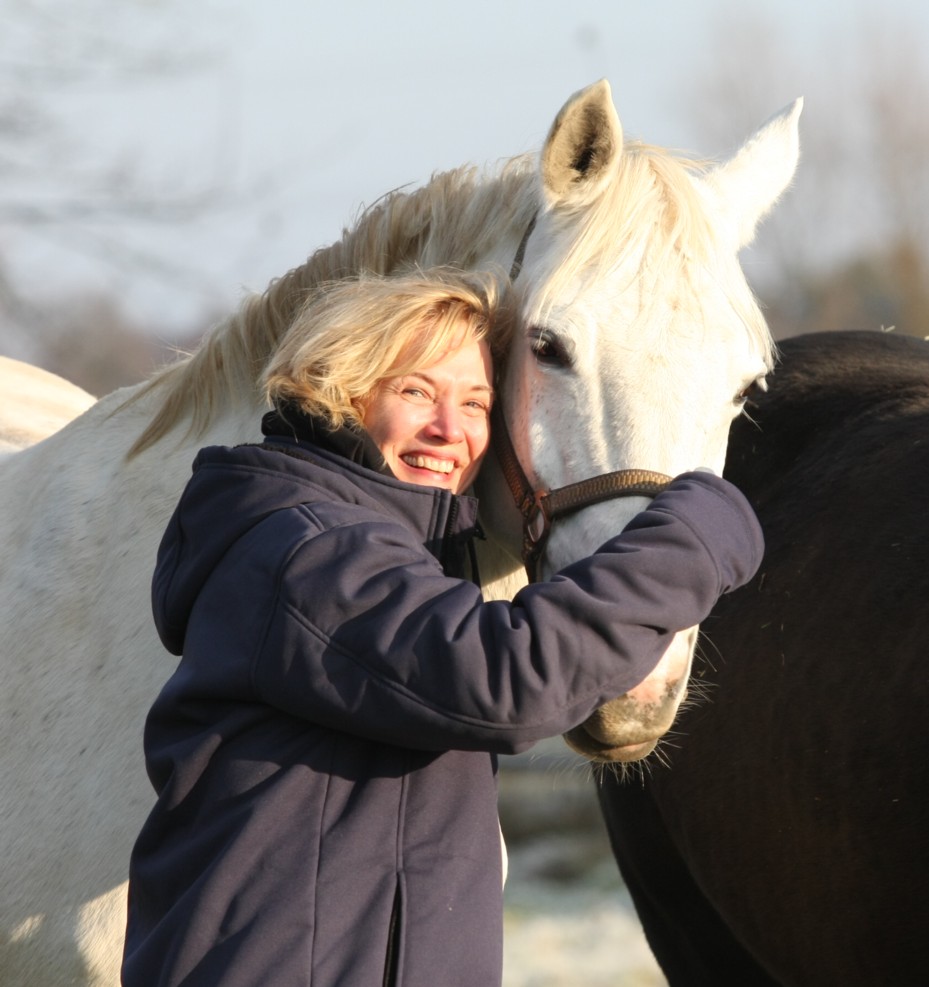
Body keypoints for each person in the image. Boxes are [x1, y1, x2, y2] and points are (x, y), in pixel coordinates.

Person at [121, 268, 764, 987]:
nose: (449, 428)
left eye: (475, 401)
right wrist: (702, 528)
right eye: (415, 391)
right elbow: (508, 678)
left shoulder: (394, 556)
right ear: (336, 389)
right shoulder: (303, 551)